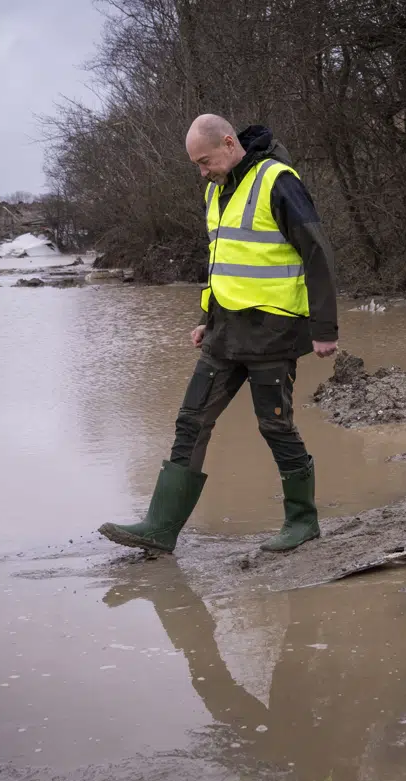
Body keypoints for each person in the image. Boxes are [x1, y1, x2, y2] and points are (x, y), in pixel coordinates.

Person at [99, 115, 339, 553]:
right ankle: (160, 526)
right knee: (191, 420)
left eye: (205, 161)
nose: (202, 171)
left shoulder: (277, 180)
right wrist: (205, 318)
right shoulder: (215, 191)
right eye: (197, 164)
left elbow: (317, 253)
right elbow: (221, 261)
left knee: (275, 426)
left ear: (229, 143)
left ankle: (303, 521)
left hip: (274, 330)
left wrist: (325, 329)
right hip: (224, 333)